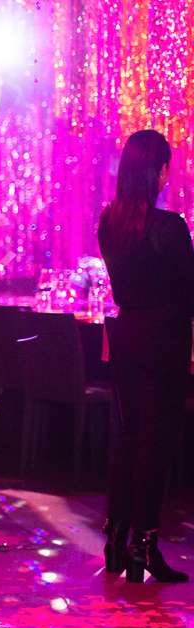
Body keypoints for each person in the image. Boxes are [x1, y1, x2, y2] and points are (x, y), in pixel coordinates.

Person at [98, 129, 193, 584]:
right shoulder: (170, 228)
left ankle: (117, 540)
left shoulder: (109, 222)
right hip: (164, 340)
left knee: (130, 438)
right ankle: (144, 546)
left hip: (127, 336)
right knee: (154, 444)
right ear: (160, 172)